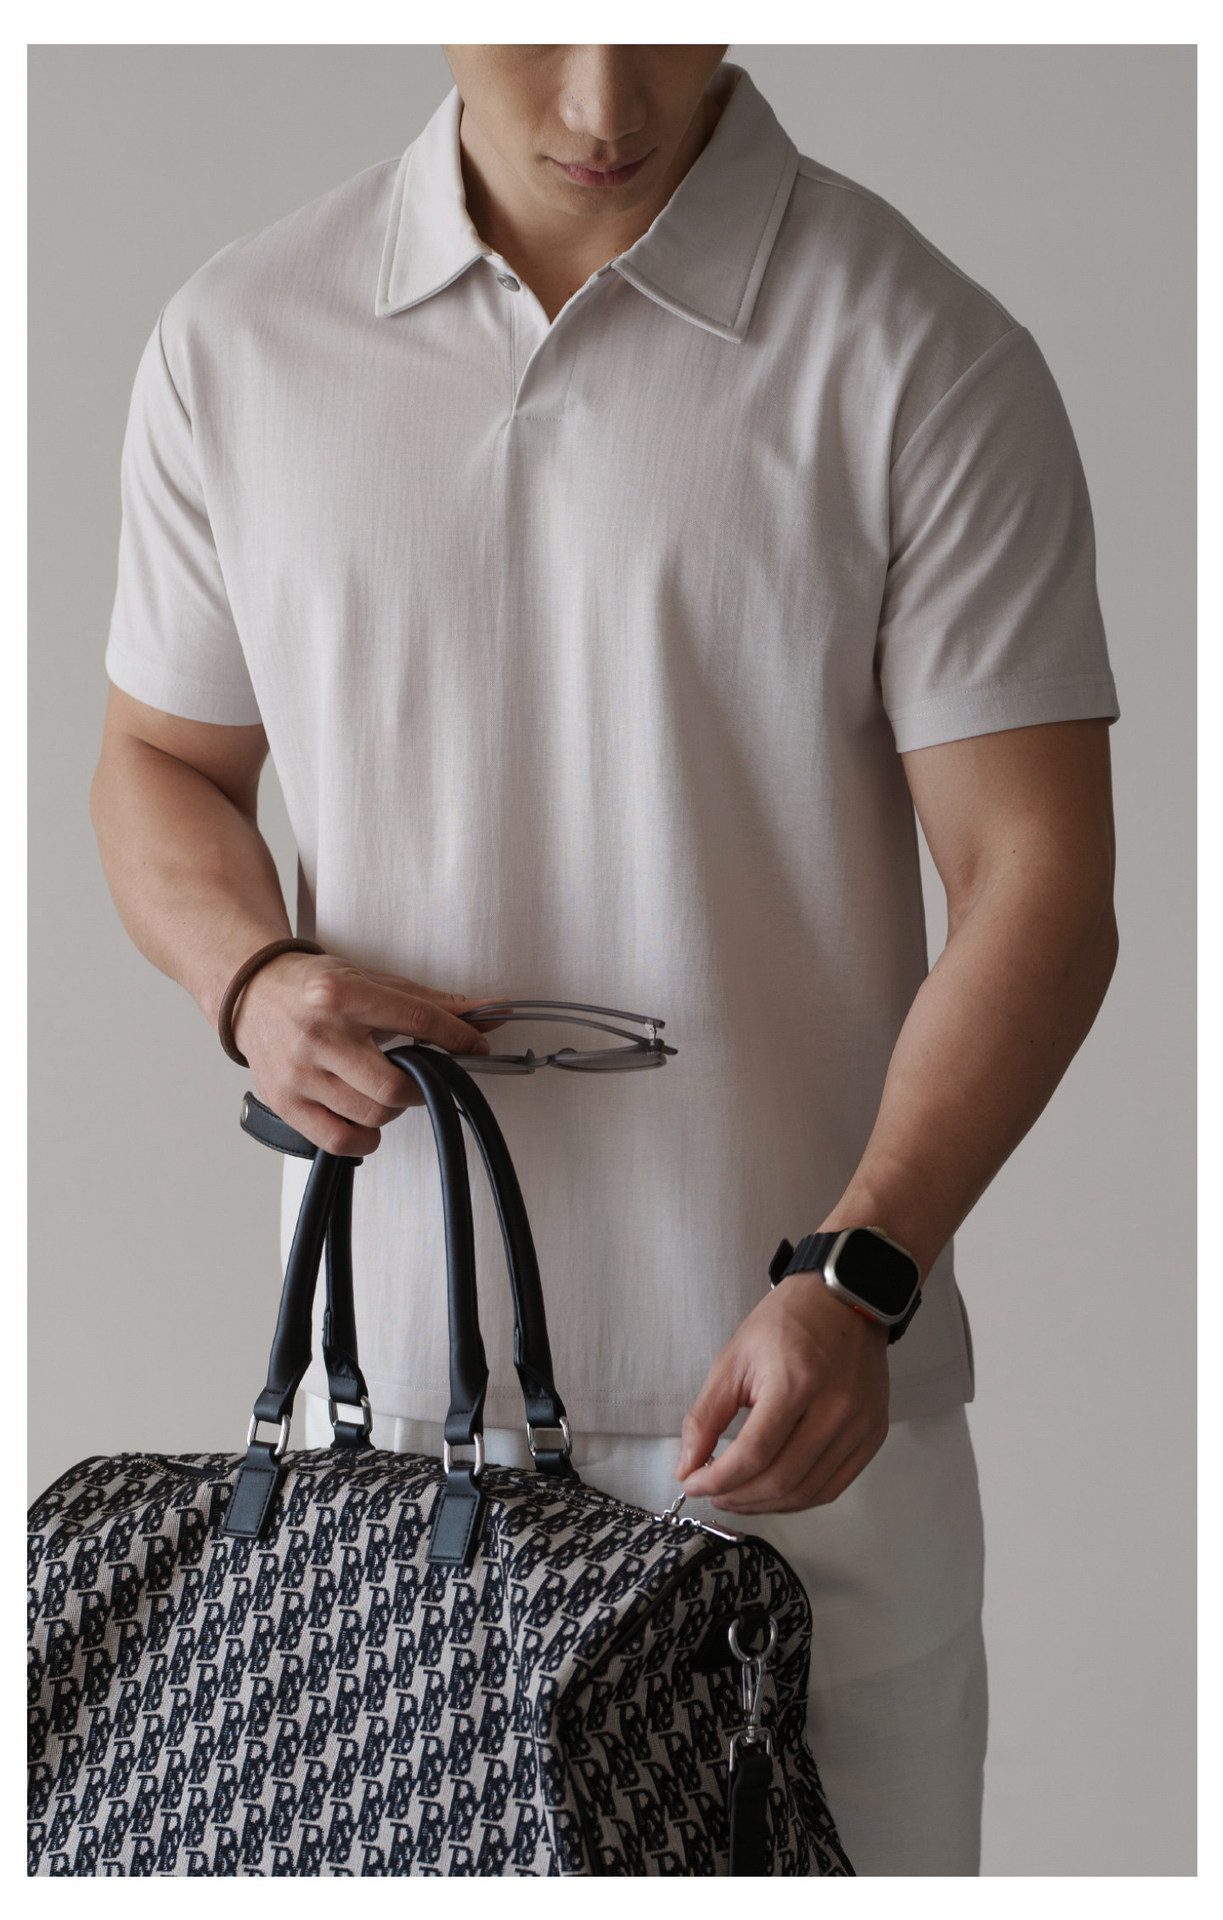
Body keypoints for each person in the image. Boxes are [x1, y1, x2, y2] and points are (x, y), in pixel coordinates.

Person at [89, 46, 1120, 1875]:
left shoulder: (919, 350)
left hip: (805, 1438)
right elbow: (157, 761)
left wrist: (864, 1270)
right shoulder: (237, 339)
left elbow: (1037, 878)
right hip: (381, 1457)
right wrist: (247, 980)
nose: (602, 101)